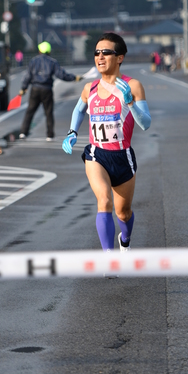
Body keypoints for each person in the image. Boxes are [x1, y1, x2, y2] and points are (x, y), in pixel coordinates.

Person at [62, 32, 151, 252]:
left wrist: (130, 102)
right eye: (96, 53)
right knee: (104, 202)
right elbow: (79, 108)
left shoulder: (133, 86)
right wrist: (72, 131)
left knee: (123, 212)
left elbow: (146, 123)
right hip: (96, 154)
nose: (100, 57)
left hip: (122, 156)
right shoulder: (89, 88)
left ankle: (126, 240)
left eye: (106, 52)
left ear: (119, 57)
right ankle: (109, 258)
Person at [19, 41, 81, 141]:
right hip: (47, 89)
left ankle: (23, 133)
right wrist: (74, 78)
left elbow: (28, 76)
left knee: (30, 111)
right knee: (48, 112)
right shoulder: (52, 62)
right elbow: (61, 75)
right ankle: (50, 135)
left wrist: (23, 88)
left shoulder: (33, 61)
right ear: (49, 51)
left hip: (35, 89)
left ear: (39, 50)